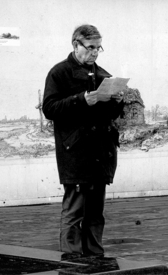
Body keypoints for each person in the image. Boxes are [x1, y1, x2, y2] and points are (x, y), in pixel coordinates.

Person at [42, 24, 124, 256]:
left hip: (101, 152)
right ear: (76, 45)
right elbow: (49, 108)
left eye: (99, 48)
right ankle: (71, 260)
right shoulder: (59, 73)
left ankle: (96, 257)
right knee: (74, 210)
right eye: (90, 48)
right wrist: (80, 100)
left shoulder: (103, 75)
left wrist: (116, 101)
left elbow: (111, 115)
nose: (95, 53)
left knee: (96, 212)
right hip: (76, 152)